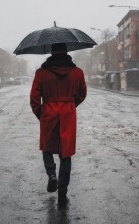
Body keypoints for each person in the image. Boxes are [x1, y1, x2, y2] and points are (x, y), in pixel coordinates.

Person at [30, 43, 87, 207]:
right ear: (67, 51)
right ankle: (62, 192)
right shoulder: (77, 73)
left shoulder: (41, 73)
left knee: (47, 147)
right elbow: (82, 93)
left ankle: (51, 174)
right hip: (68, 113)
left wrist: (41, 113)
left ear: (52, 52)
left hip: (48, 111)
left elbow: (34, 98)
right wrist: (70, 105)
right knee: (66, 153)